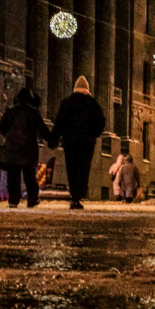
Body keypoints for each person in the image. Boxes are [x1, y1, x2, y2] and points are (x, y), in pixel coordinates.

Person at [47, 75, 106, 210]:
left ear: (75, 89)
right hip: (86, 142)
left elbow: (59, 123)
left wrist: (53, 140)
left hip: (70, 141)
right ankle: (78, 196)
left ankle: (74, 195)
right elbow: (101, 122)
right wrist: (93, 134)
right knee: (83, 168)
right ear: (87, 89)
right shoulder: (92, 104)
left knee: (72, 167)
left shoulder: (66, 103)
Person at [0, 88, 49, 208]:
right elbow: (43, 130)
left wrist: (10, 137)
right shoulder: (33, 112)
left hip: (12, 148)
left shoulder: (11, 111)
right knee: (29, 175)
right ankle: (32, 199)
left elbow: (2, 127)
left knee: (13, 175)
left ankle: (13, 200)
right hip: (28, 147)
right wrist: (52, 140)